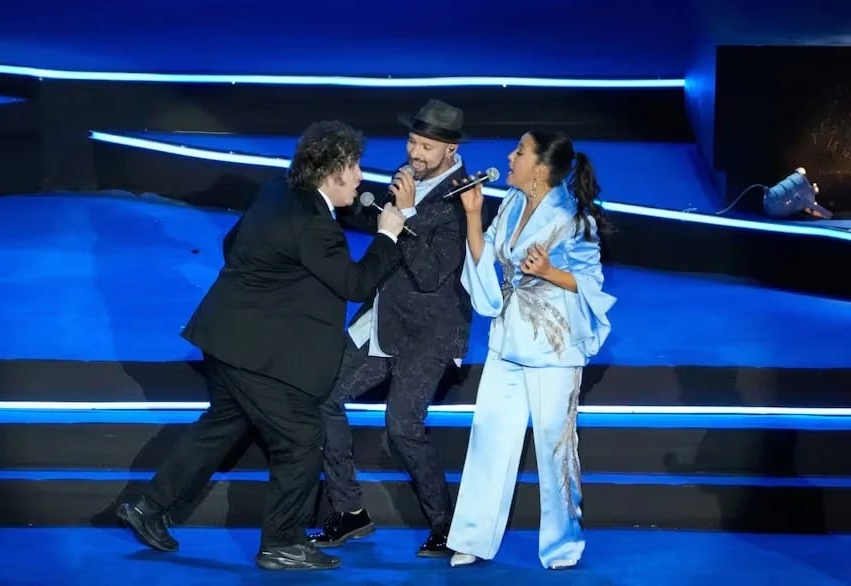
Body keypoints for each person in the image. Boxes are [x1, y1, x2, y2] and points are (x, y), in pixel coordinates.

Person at [116, 120, 407, 571]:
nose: (359, 177)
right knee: (300, 440)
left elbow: (235, 244)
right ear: (333, 173)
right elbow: (356, 283)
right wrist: (388, 234)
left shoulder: (279, 192)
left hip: (225, 338)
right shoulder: (314, 225)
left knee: (221, 426)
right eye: (354, 168)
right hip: (257, 356)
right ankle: (282, 542)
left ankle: (149, 507)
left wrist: (273, 293)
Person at [308, 100, 475, 557]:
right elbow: (378, 221)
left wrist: (404, 215)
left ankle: (447, 525)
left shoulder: (464, 199)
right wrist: (360, 202)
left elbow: (429, 274)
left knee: (402, 425)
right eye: (412, 142)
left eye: (426, 146)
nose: (415, 153)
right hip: (383, 319)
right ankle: (349, 512)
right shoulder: (409, 177)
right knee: (323, 398)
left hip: (430, 330)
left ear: (451, 149)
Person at [445, 130, 616, 569]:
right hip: (507, 342)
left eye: (519, 151)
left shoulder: (576, 219)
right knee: (488, 439)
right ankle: (472, 537)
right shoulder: (511, 205)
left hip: (554, 349)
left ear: (540, 167)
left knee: (556, 448)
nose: (509, 156)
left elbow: (591, 286)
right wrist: (472, 215)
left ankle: (563, 545)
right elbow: (490, 268)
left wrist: (550, 270)